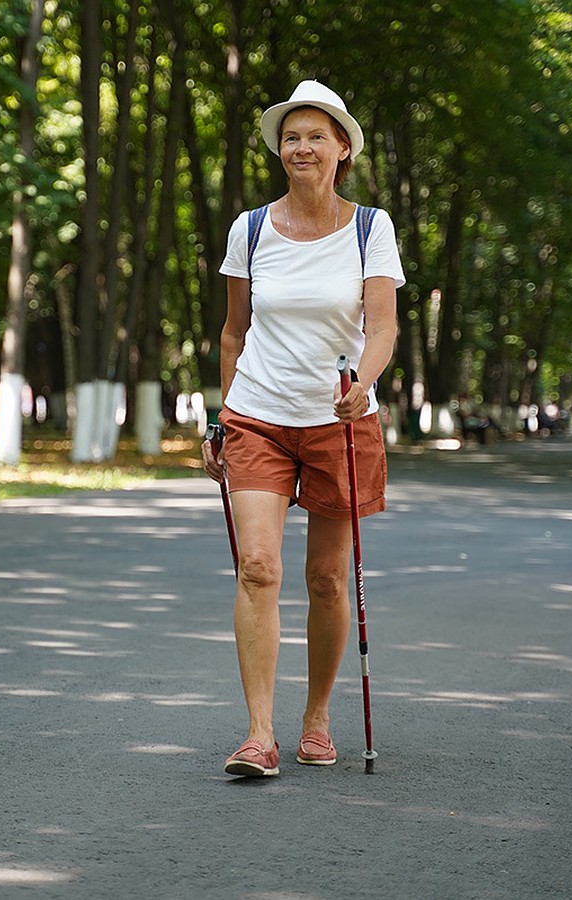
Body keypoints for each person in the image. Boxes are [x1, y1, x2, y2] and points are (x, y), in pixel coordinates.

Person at [201, 80, 405, 777]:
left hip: (339, 421)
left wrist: (365, 384)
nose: (302, 146)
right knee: (257, 567)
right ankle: (260, 733)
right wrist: (220, 418)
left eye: (317, 135)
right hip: (258, 415)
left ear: (342, 148)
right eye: (292, 136)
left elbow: (383, 326)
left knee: (325, 579)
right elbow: (234, 333)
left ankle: (316, 717)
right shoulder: (251, 228)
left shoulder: (370, 227)